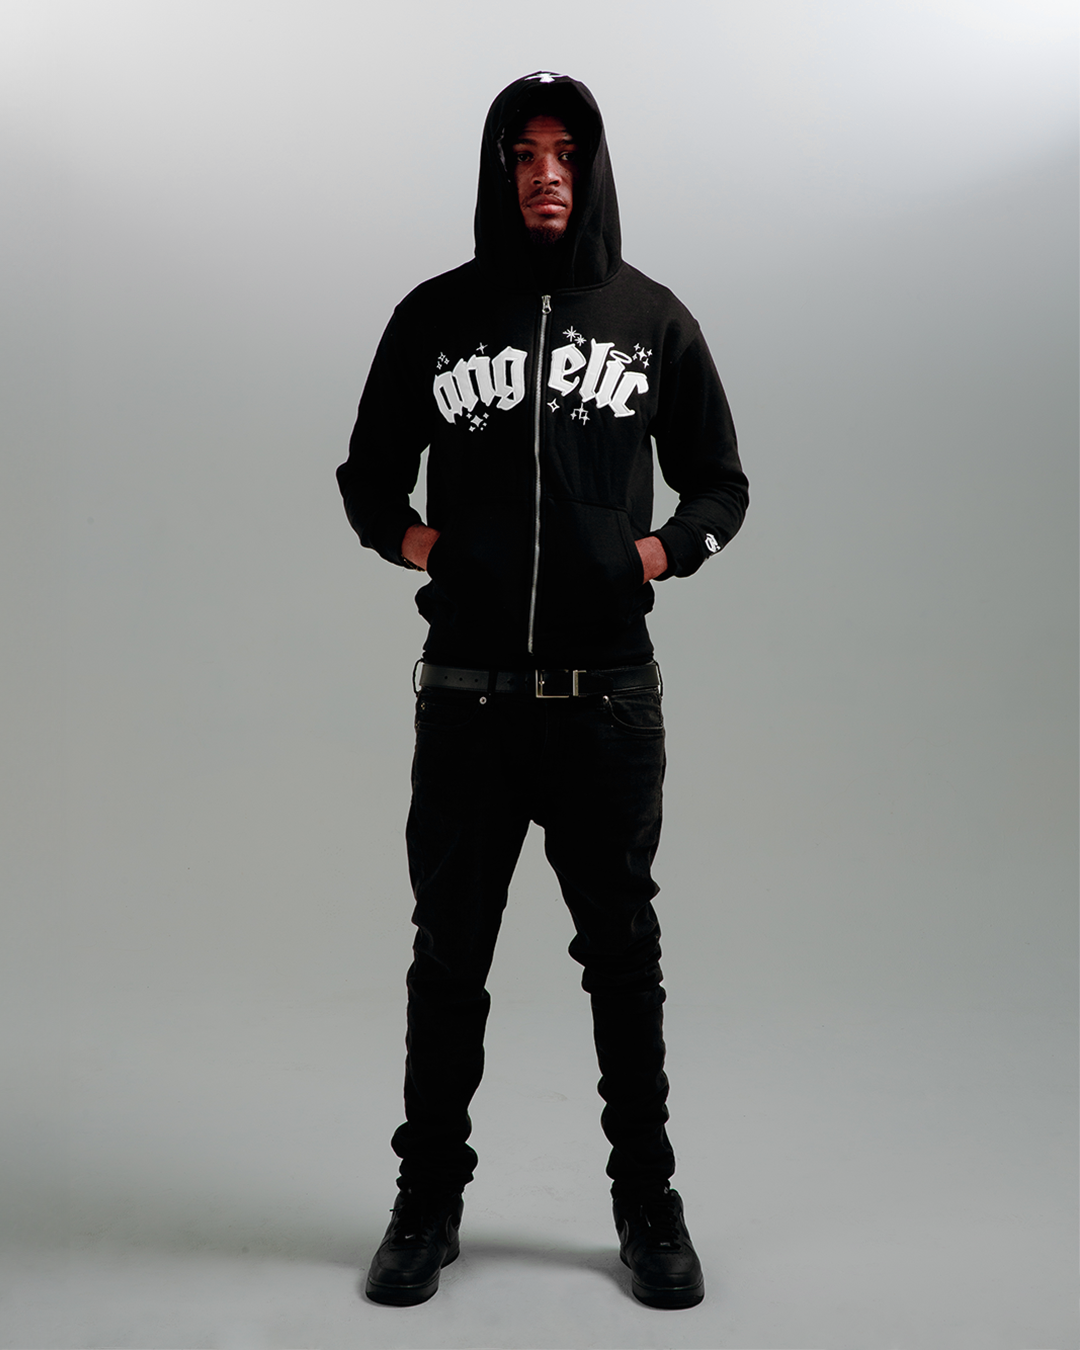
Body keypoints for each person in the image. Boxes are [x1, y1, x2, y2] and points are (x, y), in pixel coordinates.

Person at [336, 71, 748, 1310]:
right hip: (467, 697)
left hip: (606, 702)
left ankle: (649, 1202)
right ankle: (426, 1202)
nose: (546, 174)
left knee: (623, 957)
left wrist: (650, 556)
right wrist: (433, 549)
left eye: (566, 153)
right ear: (499, 170)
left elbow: (721, 485)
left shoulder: (651, 320)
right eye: (524, 153)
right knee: (448, 957)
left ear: (595, 168)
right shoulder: (436, 317)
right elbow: (366, 482)